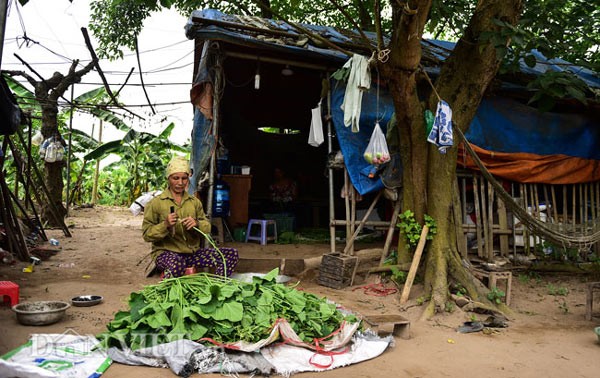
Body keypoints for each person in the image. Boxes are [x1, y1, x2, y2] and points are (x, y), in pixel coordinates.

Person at [142, 155, 238, 278]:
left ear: (188, 178)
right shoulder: (156, 203)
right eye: (175, 178)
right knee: (177, 264)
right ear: (168, 178)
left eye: (184, 178)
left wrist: (197, 224)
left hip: (191, 254)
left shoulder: (194, 202)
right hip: (166, 254)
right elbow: (147, 234)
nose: (180, 183)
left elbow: (207, 227)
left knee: (230, 255)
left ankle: (216, 288)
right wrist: (165, 225)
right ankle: (167, 290)